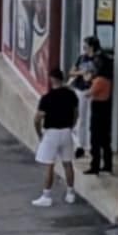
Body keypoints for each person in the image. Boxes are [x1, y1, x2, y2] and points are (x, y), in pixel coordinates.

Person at [33, 65, 80, 206]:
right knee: (68, 163)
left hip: (51, 133)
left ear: (52, 79)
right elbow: (76, 113)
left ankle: (47, 196)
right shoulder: (71, 95)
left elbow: (37, 118)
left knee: (49, 165)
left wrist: (39, 133)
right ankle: (70, 193)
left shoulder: (47, 98)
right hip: (66, 131)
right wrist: (72, 125)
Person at [86, 52, 114, 174]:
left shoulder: (99, 80)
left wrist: (87, 80)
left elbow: (89, 93)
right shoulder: (107, 79)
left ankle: (95, 165)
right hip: (106, 108)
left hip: (98, 109)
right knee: (105, 140)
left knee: (95, 140)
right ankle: (108, 164)